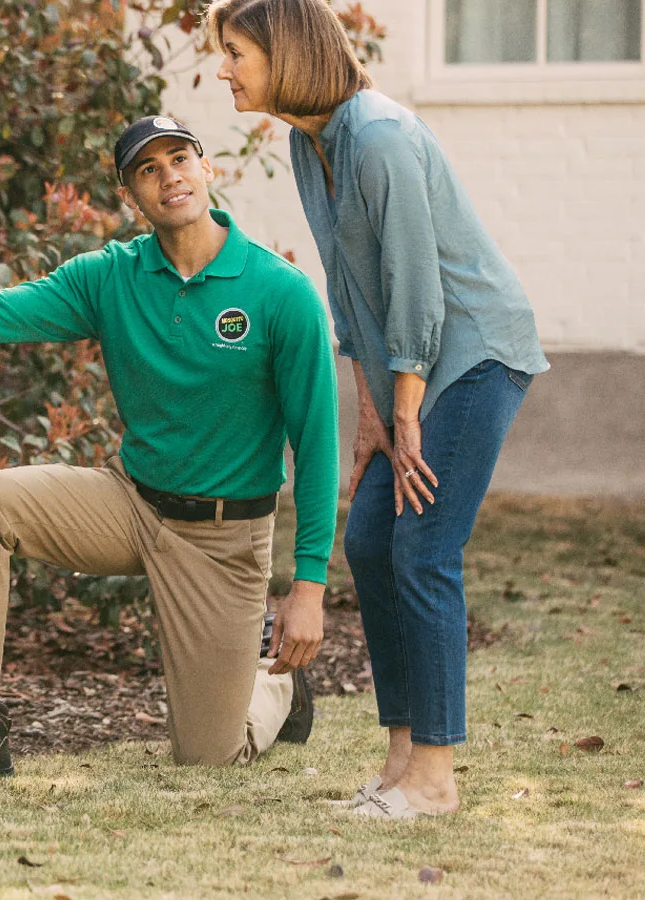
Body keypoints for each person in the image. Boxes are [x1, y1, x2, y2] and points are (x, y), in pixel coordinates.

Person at [0, 115, 340, 781]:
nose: (169, 177)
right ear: (130, 194)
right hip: (131, 502)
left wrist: (309, 587)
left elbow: (316, 447)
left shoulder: (281, 293)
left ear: (206, 168)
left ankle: (278, 687)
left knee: (210, 753)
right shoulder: (110, 277)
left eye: (179, 158)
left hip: (222, 539)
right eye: (148, 169)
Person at [208, 0, 549, 818]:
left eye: (236, 53)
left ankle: (436, 778)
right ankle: (400, 763)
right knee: (368, 538)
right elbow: (350, 288)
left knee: (423, 548)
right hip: (409, 368)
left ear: (287, 55)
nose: (223, 70)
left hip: (474, 356)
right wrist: (370, 411)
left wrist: (406, 413)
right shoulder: (310, 142)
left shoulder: (381, 137)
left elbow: (415, 288)